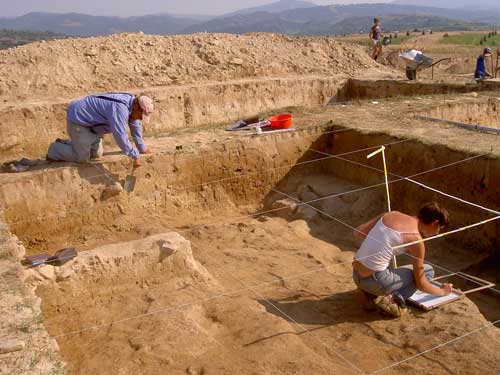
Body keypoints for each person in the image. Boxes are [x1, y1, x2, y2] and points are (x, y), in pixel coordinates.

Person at [352, 202, 452, 317]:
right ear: (435, 223)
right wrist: (443, 292)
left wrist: (380, 242)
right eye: (439, 228)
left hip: (356, 274)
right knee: (428, 271)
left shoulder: (390, 214)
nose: (437, 232)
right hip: (377, 281)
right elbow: (421, 284)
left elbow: (359, 232)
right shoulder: (416, 240)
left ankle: (368, 294)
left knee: (388, 268)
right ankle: (391, 301)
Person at [47, 93, 154, 167]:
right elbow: (120, 134)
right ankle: (55, 150)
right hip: (79, 120)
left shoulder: (132, 106)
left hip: (92, 125)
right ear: (136, 107)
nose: (140, 118)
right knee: (82, 158)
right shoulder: (120, 108)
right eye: (141, 115)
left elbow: (135, 125)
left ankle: (69, 143)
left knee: (97, 154)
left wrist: (142, 148)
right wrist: (133, 154)